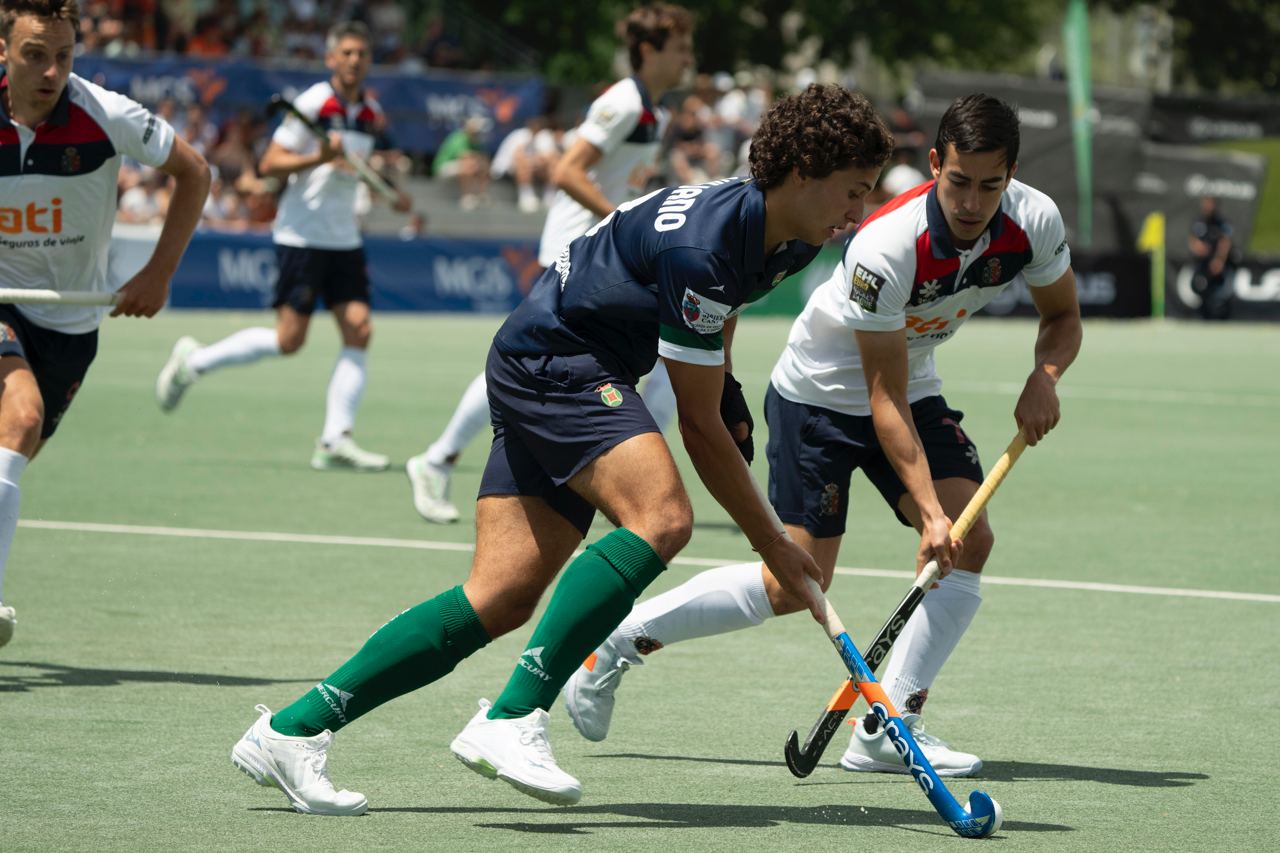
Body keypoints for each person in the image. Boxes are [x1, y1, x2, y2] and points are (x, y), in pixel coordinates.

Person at [229, 83, 895, 816]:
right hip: (559, 361)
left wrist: (728, 385)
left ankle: (291, 731)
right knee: (662, 516)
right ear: (802, 171)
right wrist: (773, 542)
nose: (857, 214)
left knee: (501, 594)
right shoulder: (707, 242)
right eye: (852, 191)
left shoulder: (789, 235)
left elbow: (721, 322)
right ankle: (512, 716)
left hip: (552, 358)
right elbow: (699, 429)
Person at [563, 93, 1083, 779]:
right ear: (934, 165)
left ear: (1011, 175)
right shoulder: (886, 245)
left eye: (990, 185)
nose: (971, 202)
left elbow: (1063, 315)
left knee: (970, 538)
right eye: (958, 182)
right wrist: (928, 511)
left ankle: (886, 725)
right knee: (795, 582)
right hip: (819, 396)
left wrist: (1046, 373)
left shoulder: (1033, 222)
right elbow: (879, 397)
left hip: (911, 381)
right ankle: (617, 643)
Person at [405, 4, 695, 525]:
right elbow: (567, 171)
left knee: (657, 355)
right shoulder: (624, 101)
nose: (689, 58)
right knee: (531, 363)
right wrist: (625, 223)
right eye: (681, 48)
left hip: (607, 259)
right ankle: (436, 459)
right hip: (576, 252)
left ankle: (625, 469)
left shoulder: (657, 109)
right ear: (649, 51)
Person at [0, 0, 210, 648]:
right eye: (35, 54)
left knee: (14, 447)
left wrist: (156, 274)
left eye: (63, 56)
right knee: (21, 416)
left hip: (70, 318)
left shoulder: (105, 114)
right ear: (4, 49)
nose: (52, 71)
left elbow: (194, 171)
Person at [154, 21, 411, 472]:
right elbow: (271, 163)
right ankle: (194, 361)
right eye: (346, 53)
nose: (354, 60)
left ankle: (335, 440)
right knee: (289, 340)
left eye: (362, 54)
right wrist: (318, 157)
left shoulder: (370, 112)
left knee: (359, 330)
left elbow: (368, 165)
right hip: (302, 236)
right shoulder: (314, 103)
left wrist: (394, 190)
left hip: (344, 238)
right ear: (331, 59)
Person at [1188, 195, 1234, 321]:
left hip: (1216, 263)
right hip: (1201, 263)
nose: (1207, 207)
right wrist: (1198, 247)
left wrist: (1219, 259)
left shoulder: (1222, 222)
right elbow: (1192, 239)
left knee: (1219, 291)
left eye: (1210, 204)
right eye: (1205, 204)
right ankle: (1202, 315)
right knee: (1199, 287)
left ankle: (1220, 316)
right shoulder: (1199, 221)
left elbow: (1225, 242)